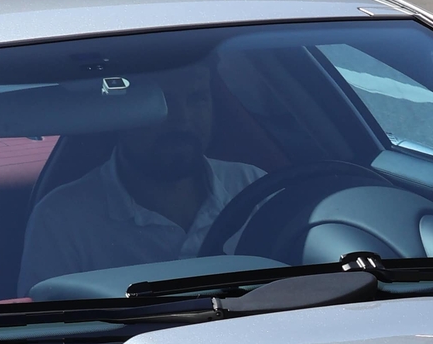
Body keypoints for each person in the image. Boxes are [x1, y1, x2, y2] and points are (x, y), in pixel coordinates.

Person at [16, 66, 264, 296]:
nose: (182, 119)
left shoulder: (253, 186)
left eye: (197, 98)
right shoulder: (61, 220)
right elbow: (49, 330)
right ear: (119, 114)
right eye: (160, 102)